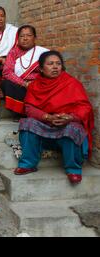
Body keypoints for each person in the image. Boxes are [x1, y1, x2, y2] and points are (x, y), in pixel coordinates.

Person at [14, 51, 94, 184]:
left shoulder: (72, 83)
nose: (55, 67)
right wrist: (46, 117)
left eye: (58, 64)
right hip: (44, 124)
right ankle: (28, 164)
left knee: (73, 129)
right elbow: (29, 108)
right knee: (27, 124)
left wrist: (70, 117)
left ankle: (73, 169)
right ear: (41, 68)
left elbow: (84, 107)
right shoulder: (35, 85)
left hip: (65, 124)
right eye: (50, 64)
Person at [1, 25, 48, 115]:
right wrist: (25, 84)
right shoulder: (13, 52)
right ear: (18, 39)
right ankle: (20, 112)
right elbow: (7, 72)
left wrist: (34, 83)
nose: (25, 38)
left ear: (35, 38)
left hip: (37, 86)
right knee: (6, 83)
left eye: (29, 35)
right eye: (22, 36)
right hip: (20, 86)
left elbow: (48, 72)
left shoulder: (42, 53)